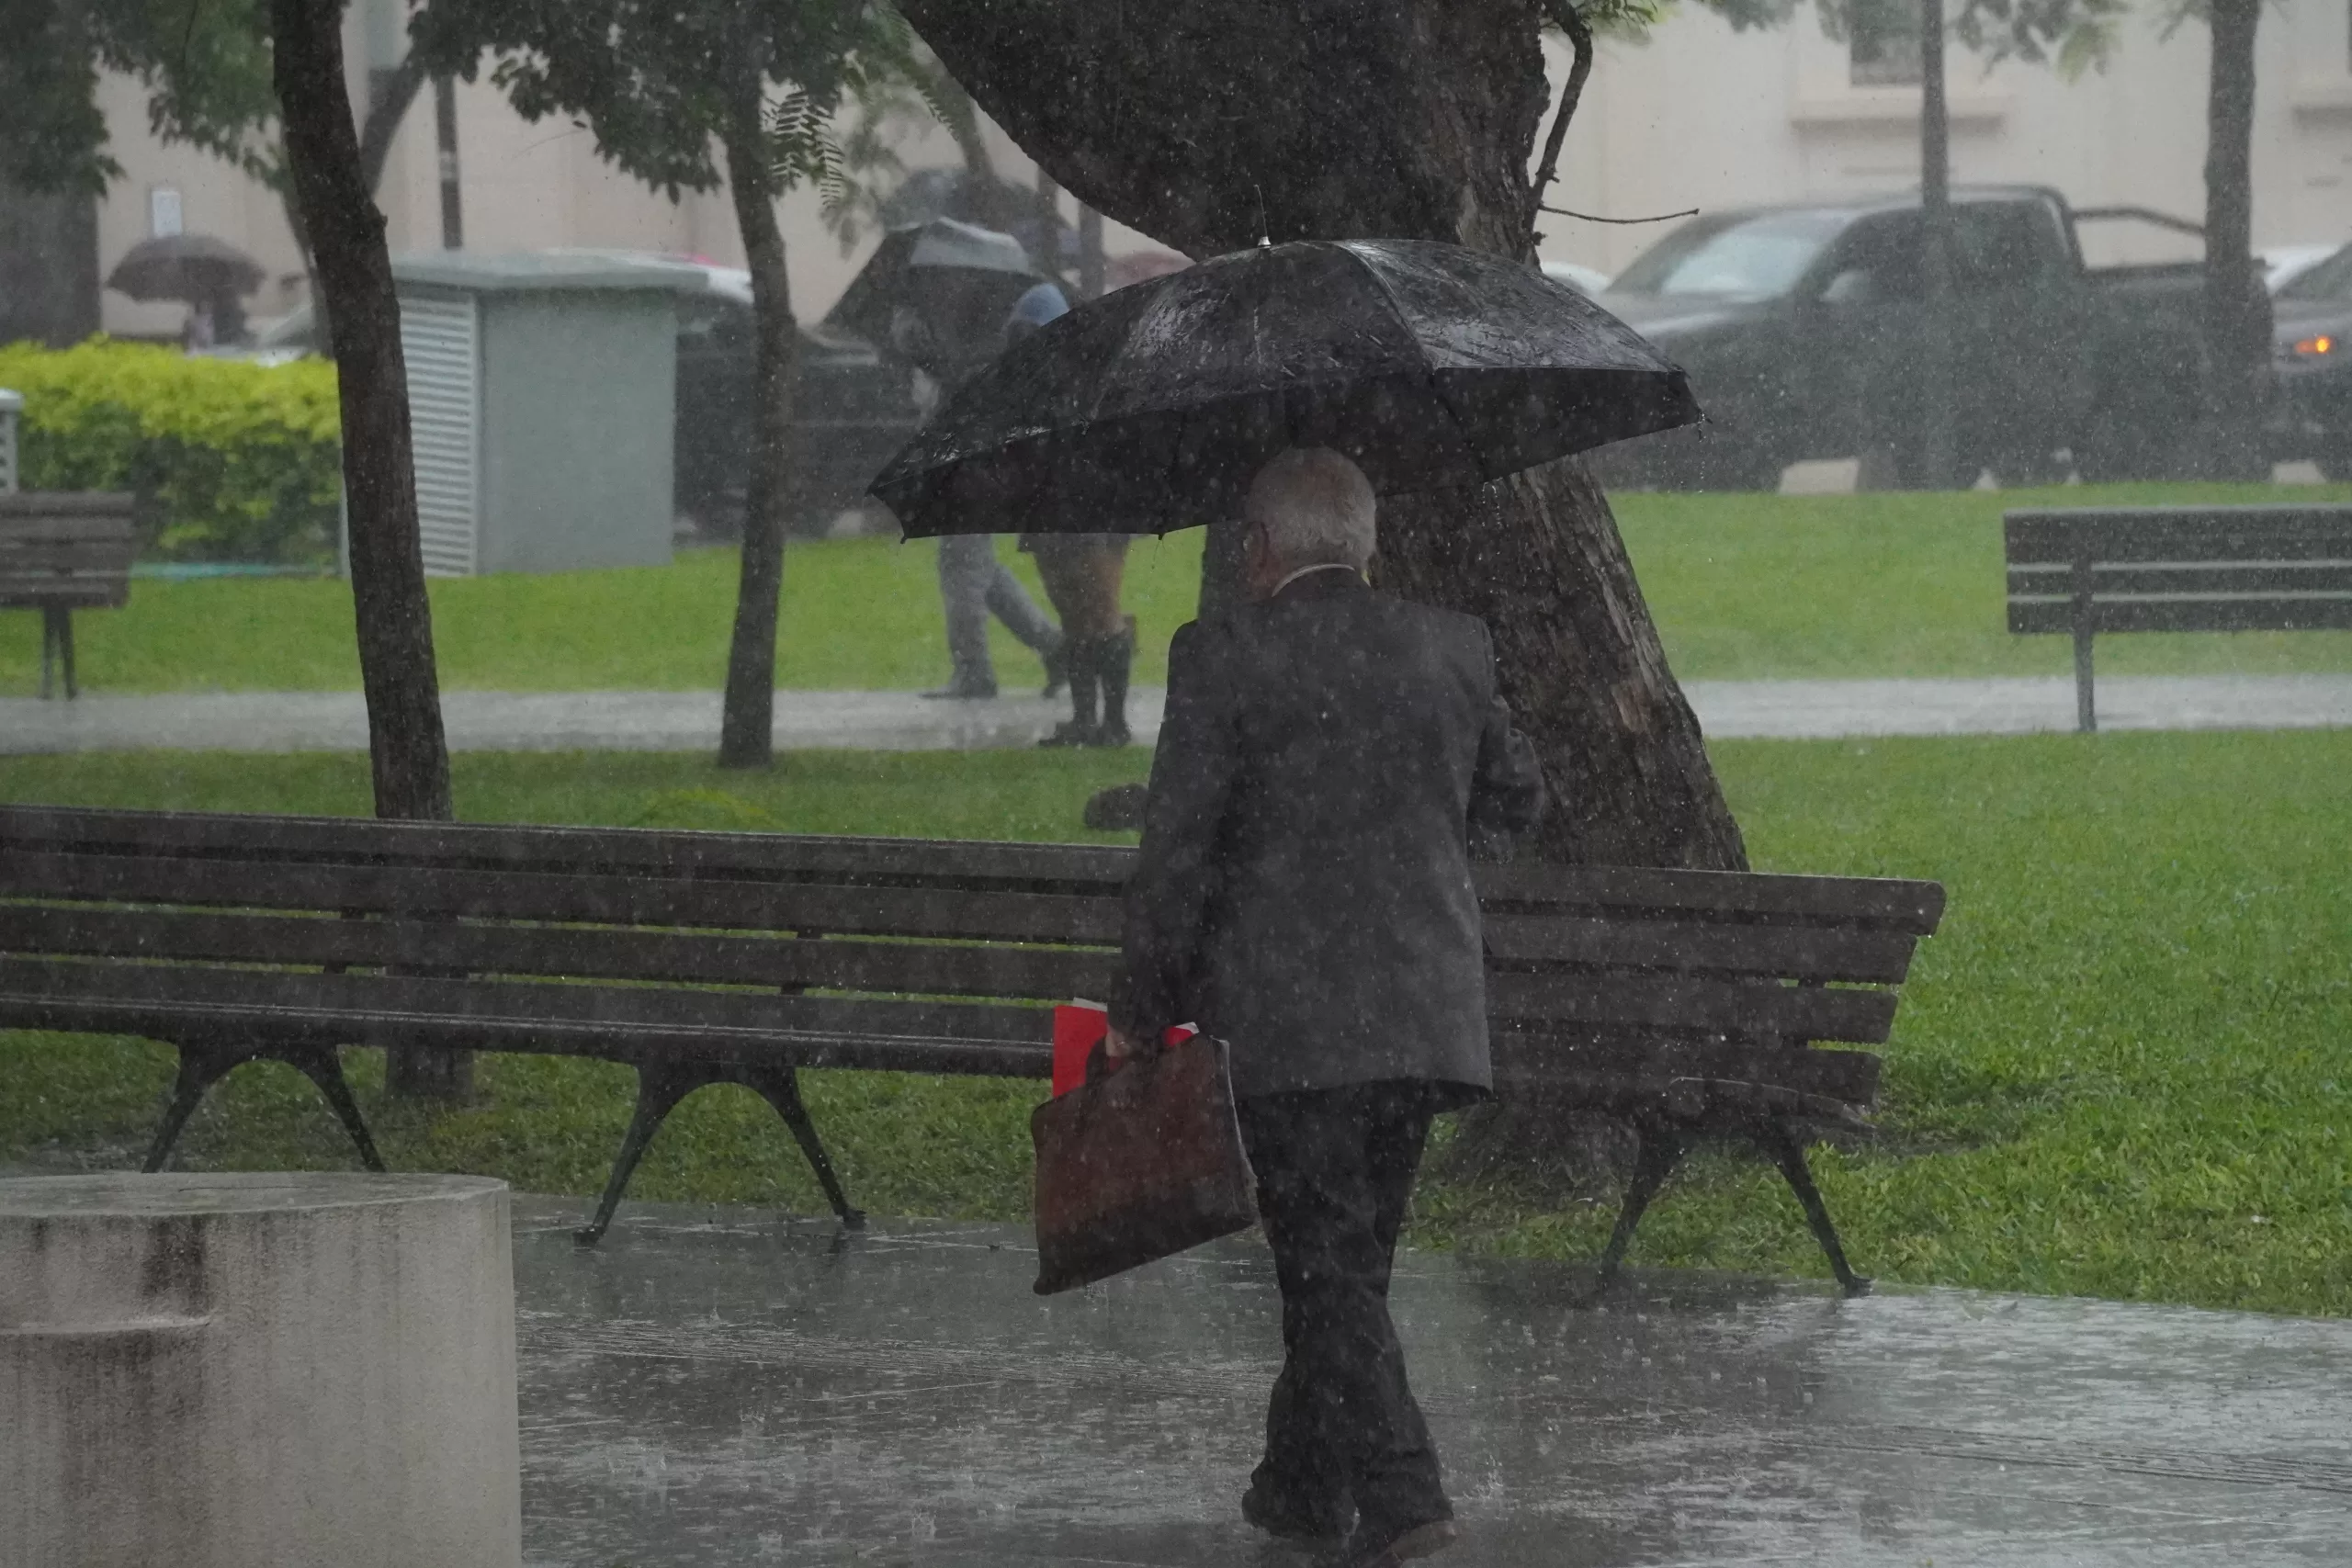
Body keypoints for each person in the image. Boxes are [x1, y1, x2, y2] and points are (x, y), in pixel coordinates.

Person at [1106, 447, 1546, 1568]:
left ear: (1257, 552)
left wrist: (1136, 1008)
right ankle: (1298, 1485)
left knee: (1327, 1268)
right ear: (1366, 543)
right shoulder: (1452, 645)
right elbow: (1515, 798)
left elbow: (1180, 854)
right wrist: (1422, 866)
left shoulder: (1222, 656)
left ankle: (1405, 1500)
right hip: (1423, 1011)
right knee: (1347, 1257)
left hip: (1286, 1020)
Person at [893, 303, 1066, 700]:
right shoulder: (975, 326)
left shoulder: (975, 332)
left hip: (974, 466)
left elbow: (961, 382)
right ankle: (1056, 647)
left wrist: (918, 346)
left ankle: (974, 672)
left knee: (961, 568)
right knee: (978, 568)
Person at [1004, 281, 1136, 747]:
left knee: (1100, 612)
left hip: (1090, 506)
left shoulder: (1088, 378)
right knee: (1074, 614)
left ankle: (1113, 722)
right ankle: (1085, 720)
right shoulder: (1031, 383)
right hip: (1050, 507)